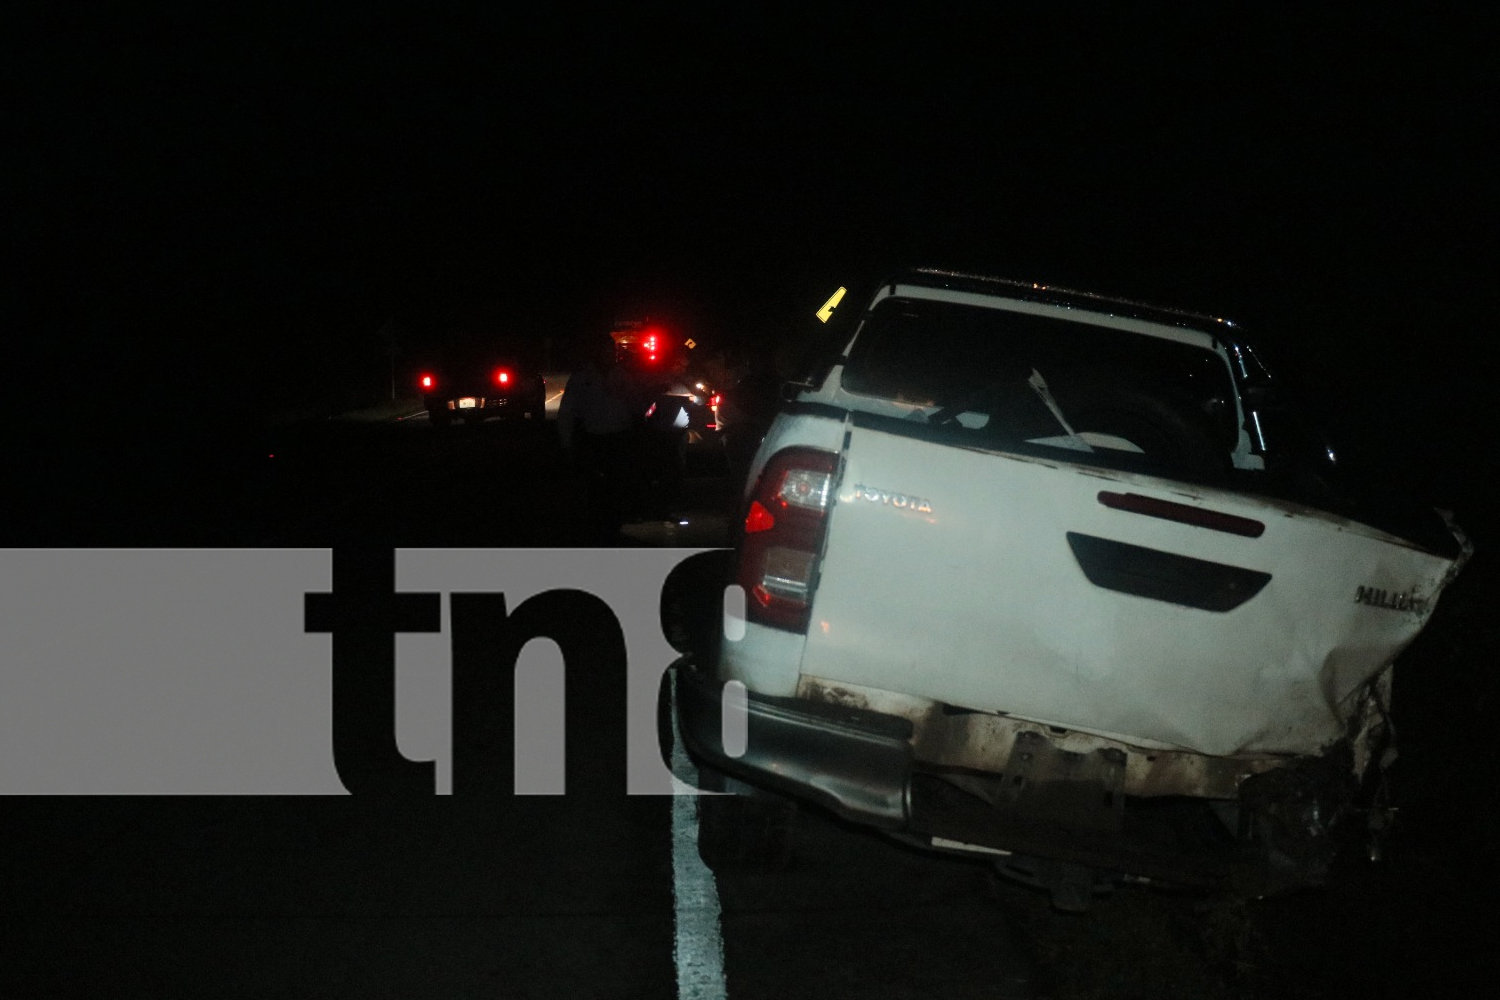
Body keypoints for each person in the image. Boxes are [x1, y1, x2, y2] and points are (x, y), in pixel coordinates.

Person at [557, 332, 646, 543]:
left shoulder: (623, 375)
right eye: (605, 350)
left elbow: (637, 406)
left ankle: (614, 525)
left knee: (618, 484)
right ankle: (597, 527)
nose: (609, 354)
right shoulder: (582, 377)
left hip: (619, 437)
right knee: (595, 486)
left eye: (612, 350)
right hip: (594, 439)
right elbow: (567, 412)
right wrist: (566, 442)